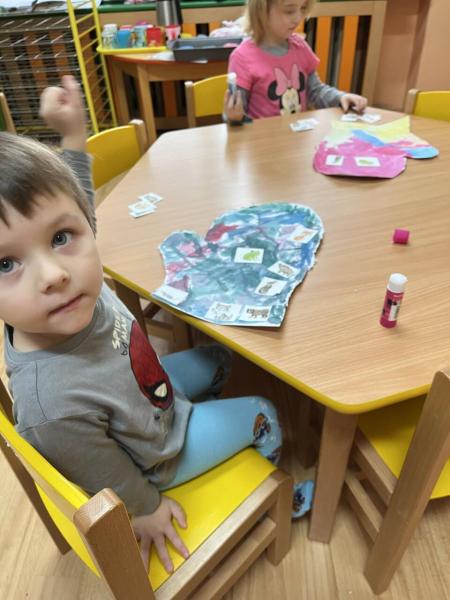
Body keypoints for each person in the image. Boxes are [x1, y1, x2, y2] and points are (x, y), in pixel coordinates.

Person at [0, 76, 313, 574]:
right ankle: (278, 498)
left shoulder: (62, 282)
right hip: (159, 456)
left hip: (150, 396)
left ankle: (205, 416)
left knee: (221, 356)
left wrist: (73, 136)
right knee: (265, 411)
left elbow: (73, 204)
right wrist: (145, 509)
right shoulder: (50, 406)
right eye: (5, 264)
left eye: (60, 238)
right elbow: (98, 469)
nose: (54, 274)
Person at [224, 0, 368, 123]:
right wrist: (234, 118)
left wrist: (340, 97)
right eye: (289, 11)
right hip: (263, 143)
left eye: (303, 8)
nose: (298, 18)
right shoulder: (242, 57)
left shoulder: (300, 47)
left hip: (297, 139)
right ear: (262, 11)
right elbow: (235, 114)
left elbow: (316, 91)